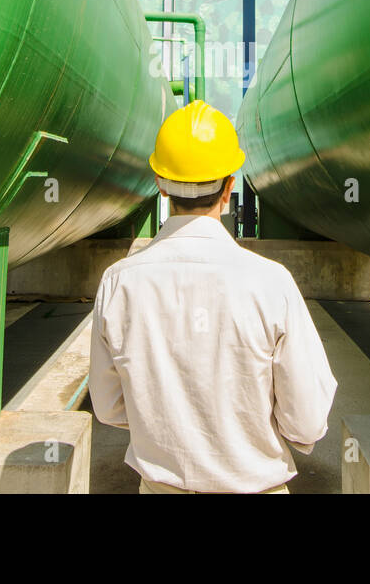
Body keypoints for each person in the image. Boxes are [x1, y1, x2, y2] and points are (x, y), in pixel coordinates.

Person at [89, 100, 338, 494]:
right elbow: (306, 420)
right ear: (230, 186)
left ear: (159, 181)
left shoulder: (119, 283)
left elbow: (108, 407)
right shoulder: (271, 283)